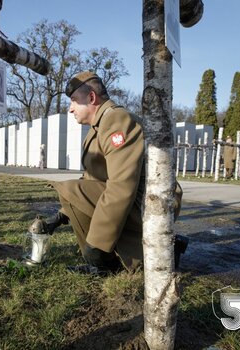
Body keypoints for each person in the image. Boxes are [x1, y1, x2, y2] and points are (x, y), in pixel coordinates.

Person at [45, 71, 186, 276]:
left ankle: (108, 263)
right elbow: (93, 182)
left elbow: (122, 187)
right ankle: (147, 250)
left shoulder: (116, 120)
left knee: (70, 189)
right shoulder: (100, 126)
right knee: (73, 191)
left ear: (91, 98)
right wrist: (61, 216)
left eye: (74, 101)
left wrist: (97, 246)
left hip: (154, 202)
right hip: (141, 198)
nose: (70, 108)